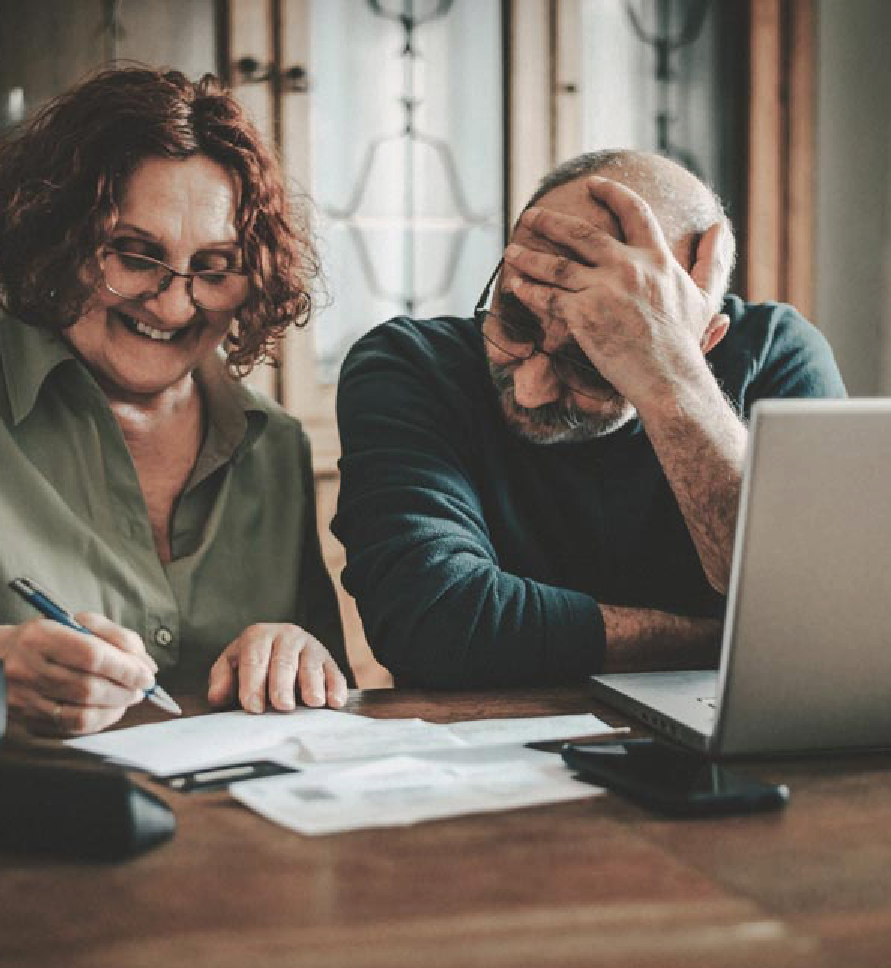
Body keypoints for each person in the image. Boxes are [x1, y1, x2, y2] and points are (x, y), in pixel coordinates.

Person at [0, 65, 352, 734]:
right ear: (57, 241)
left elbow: (330, 698)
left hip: (238, 831)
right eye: (135, 255)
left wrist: (298, 655)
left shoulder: (274, 444)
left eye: (214, 268)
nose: (172, 303)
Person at [333, 149, 846, 689]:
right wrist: (734, 644)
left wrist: (672, 377)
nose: (530, 393)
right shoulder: (409, 364)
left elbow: (815, 616)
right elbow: (435, 625)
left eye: (590, 362)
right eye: (515, 325)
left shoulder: (777, 355)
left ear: (702, 339)